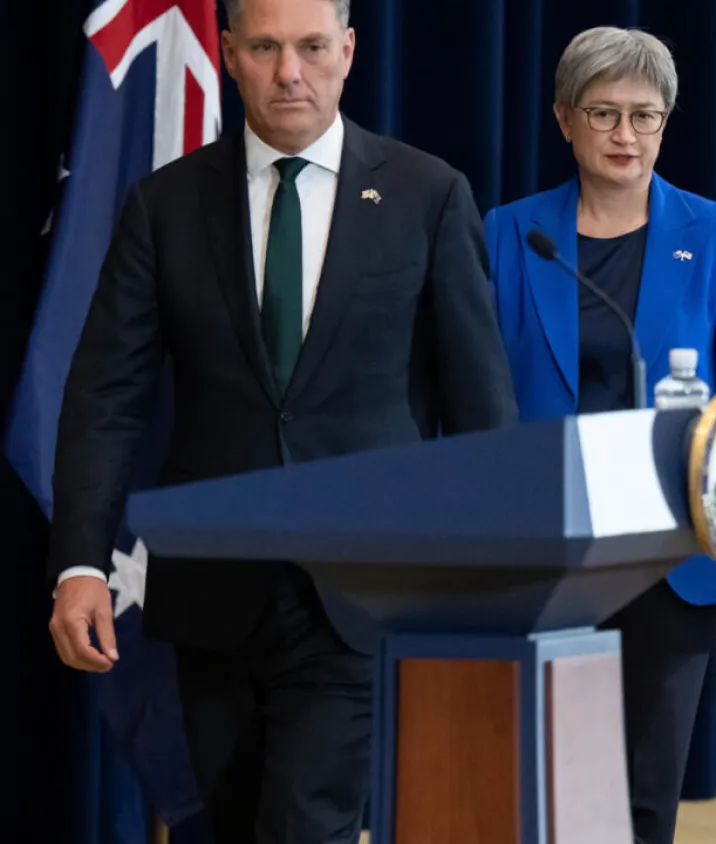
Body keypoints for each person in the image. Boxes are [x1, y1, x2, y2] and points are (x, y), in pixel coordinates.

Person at [45, 0, 516, 840]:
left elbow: (479, 408)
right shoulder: (166, 204)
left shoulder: (427, 195)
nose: (288, 72)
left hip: (362, 591)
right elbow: (104, 398)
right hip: (212, 592)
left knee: (308, 825)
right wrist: (79, 560)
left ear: (349, 51)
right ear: (228, 55)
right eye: (264, 47)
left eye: (308, 47)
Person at [482, 26, 716, 844]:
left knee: (647, 793)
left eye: (646, 116)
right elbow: (473, 390)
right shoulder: (510, 234)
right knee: (540, 781)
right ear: (563, 118)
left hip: (673, 550)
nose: (626, 136)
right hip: (539, 548)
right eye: (605, 113)